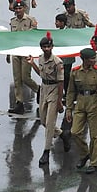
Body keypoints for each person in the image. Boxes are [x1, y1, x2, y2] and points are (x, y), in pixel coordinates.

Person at [65, 48, 97, 174]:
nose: (94, 60)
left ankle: (94, 163)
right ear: (84, 59)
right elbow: (71, 91)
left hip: (94, 102)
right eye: (91, 58)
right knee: (75, 132)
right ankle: (85, 154)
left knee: (96, 135)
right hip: (81, 103)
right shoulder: (75, 72)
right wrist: (69, 108)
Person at [28, 33, 66, 166]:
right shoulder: (40, 59)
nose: (46, 49)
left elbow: (61, 82)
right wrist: (32, 64)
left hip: (55, 90)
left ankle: (46, 152)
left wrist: (60, 101)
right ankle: (62, 134)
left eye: (48, 46)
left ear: (52, 47)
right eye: (44, 47)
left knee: (50, 123)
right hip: (44, 88)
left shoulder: (57, 62)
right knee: (43, 120)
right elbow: (42, 74)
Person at [8, 0, 38, 114]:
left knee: (25, 78)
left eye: (20, 8)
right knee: (17, 79)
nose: (18, 10)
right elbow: (11, 38)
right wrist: (8, 53)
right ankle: (19, 103)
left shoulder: (31, 20)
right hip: (16, 52)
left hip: (26, 52)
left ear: (24, 8)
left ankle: (38, 89)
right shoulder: (13, 21)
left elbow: (34, 36)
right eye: (16, 8)